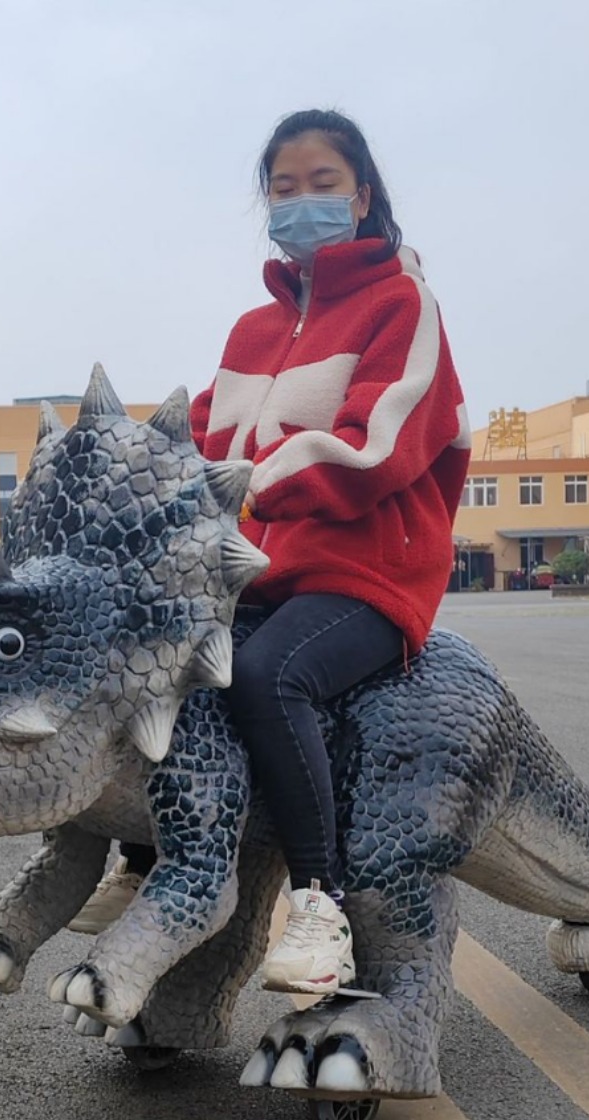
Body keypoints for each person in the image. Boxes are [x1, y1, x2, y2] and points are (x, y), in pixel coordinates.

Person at [69, 108, 470, 995]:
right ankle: (142, 858)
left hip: (368, 575)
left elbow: (378, 448)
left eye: (322, 184)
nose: (301, 203)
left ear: (361, 196)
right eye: (283, 189)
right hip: (263, 573)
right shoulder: (253, 330)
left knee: (265, 678)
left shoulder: (404, 304)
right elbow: (197, 443)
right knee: (163, 655)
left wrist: (247, 484)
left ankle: (319, 901)